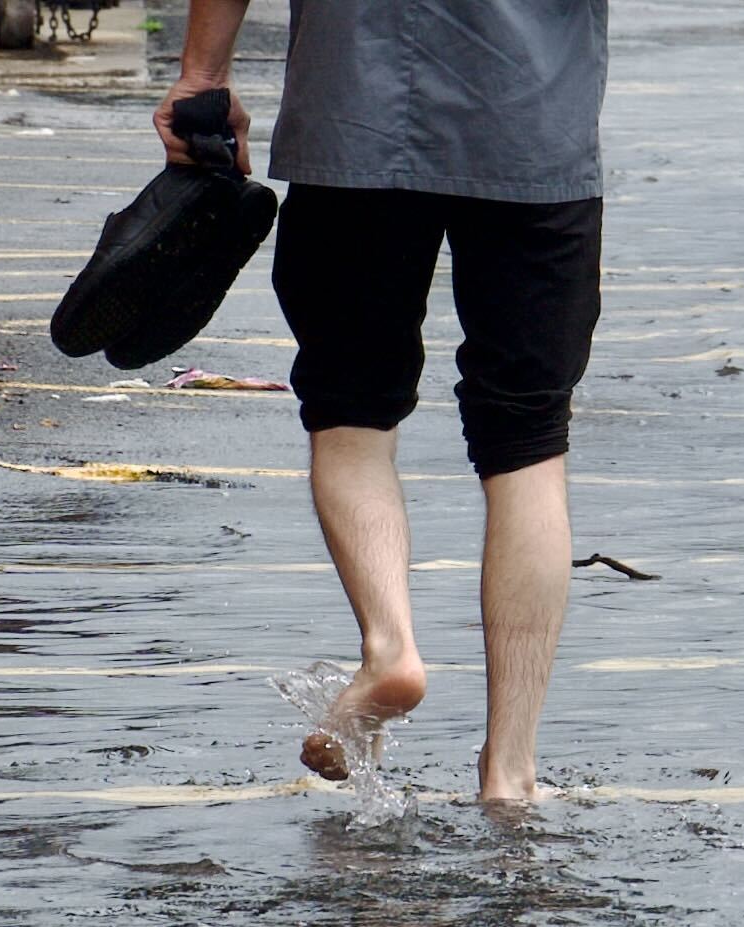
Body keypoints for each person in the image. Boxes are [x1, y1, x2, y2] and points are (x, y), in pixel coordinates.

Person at [153, 0, 610, 802]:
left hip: (353, 124)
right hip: (532, 126)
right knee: (527, 441)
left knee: (351, 414)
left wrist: (203, 78)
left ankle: (390, 646)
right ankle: (509, 769)